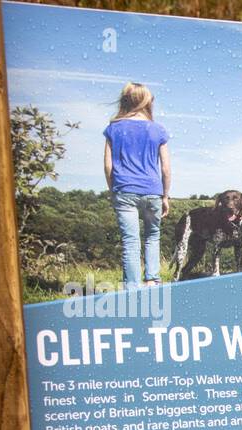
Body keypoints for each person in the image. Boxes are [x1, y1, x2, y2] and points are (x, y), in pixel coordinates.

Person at [103, 82, 170, 286]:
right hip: (152, 191)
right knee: (152, 236)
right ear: (147, 102)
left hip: (124, 190)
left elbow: (108, 166)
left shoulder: (113, 128)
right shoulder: (158, 129)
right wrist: (165, 196)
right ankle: (152, 281)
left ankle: (132, 288)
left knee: (131, 241)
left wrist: (112, 190)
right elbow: (165, 168)